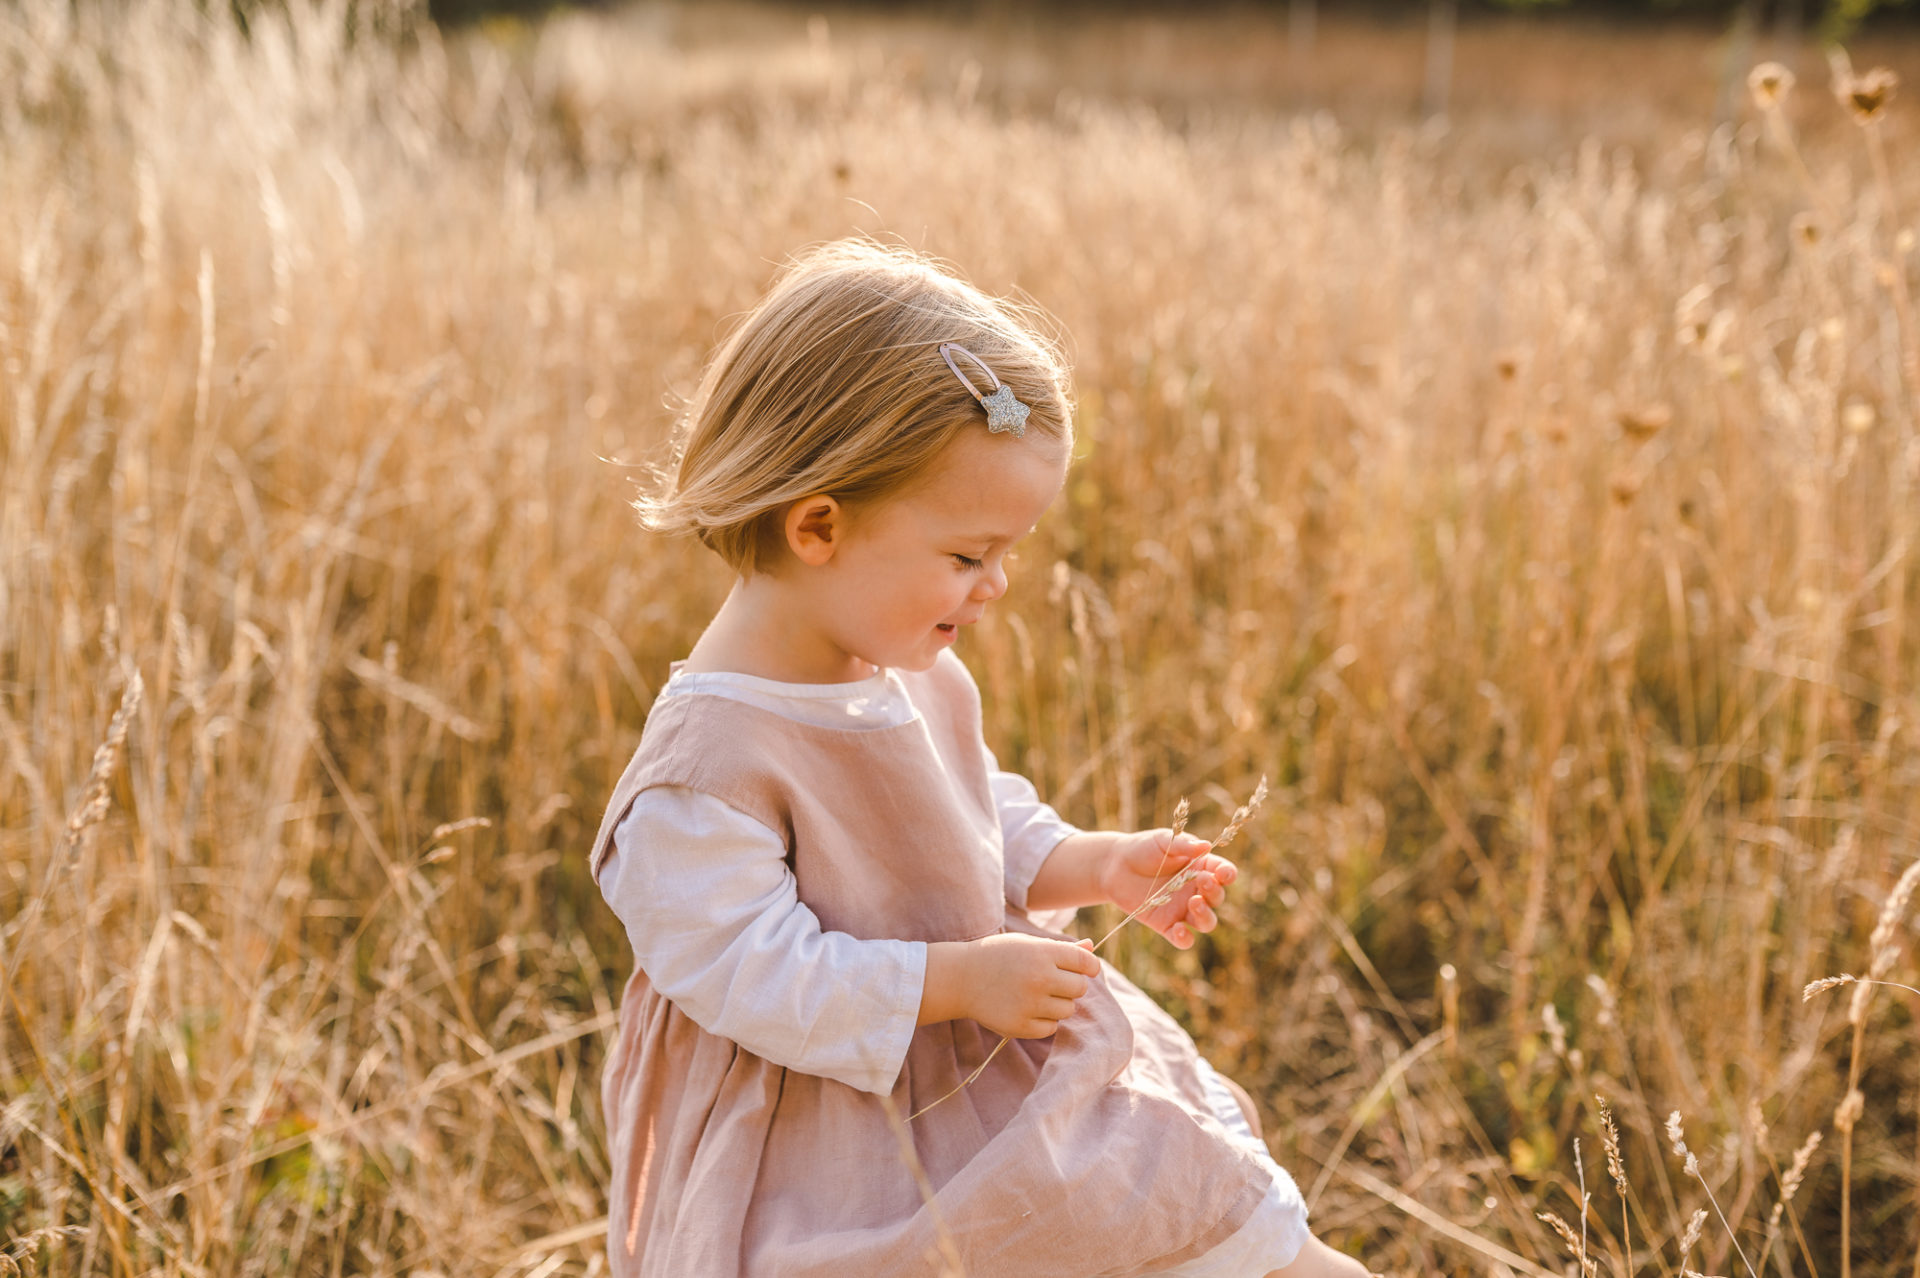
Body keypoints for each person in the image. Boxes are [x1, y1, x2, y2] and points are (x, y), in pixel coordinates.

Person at [589, 237, 1375, 1277]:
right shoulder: (708, 766)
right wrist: (958, 983)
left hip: (977, 1068)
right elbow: (748, 974)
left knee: (1212, 1226)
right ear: (818, 525)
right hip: (826, 1134)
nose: (996, 586)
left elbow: (964, 815)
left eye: (1007, 553)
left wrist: (1091, 865)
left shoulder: (898, 665)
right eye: (968, 556)